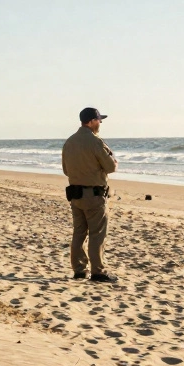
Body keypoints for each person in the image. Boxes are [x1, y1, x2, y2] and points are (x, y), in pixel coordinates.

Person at [61, 107, 118, 283]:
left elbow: (65, 170)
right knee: (97, 233)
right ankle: (98, 271)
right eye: (99, 120)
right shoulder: (95, 142)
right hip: (94, 195)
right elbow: (111, 167)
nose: (100, 123)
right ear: (92, 121)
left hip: (76, 195)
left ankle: (79, 270)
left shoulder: (69, 142)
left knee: (79, 233)